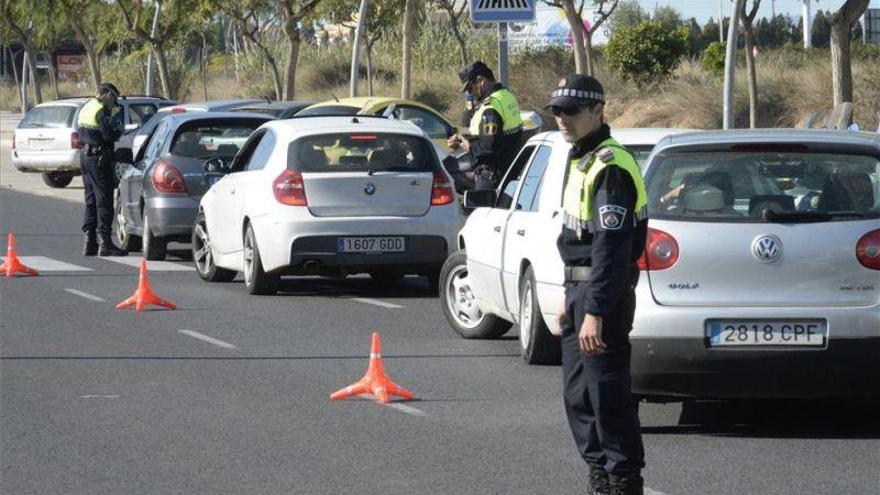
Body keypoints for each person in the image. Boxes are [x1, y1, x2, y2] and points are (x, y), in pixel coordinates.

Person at [549, 75, 648, 495]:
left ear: (597, 111)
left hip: (600, 299)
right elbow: (578, 242)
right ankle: (600, 482)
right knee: (579, 398)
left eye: (571, 111)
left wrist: (595, 311)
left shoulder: (610, 165)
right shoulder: (581, 158)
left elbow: (611, 247)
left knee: (607, 400)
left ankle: (623, 484)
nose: (562, 119)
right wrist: (568, 298)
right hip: (580, 294)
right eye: (557, 111)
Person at [447, 61, 524, 190]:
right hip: (508, 165)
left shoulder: (491, 107)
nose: (470, 94)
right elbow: (494, 135)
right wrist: (463, 139)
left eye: (470, 89)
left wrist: (468, 146)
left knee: (444, 170)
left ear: (480, 80)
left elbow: (489, 147)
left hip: (491, 172)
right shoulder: (506, 96)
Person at [77, 83, 126, 256]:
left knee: (90, 199)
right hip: (98, 158)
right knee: (104, 199)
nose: (115, 101)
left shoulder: (86, 107)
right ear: (108, 95)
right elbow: (107, 135)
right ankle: (105, 243)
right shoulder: (101, 110)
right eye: (114, 97)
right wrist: (119, 131)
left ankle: (89, 242)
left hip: (84, 157)